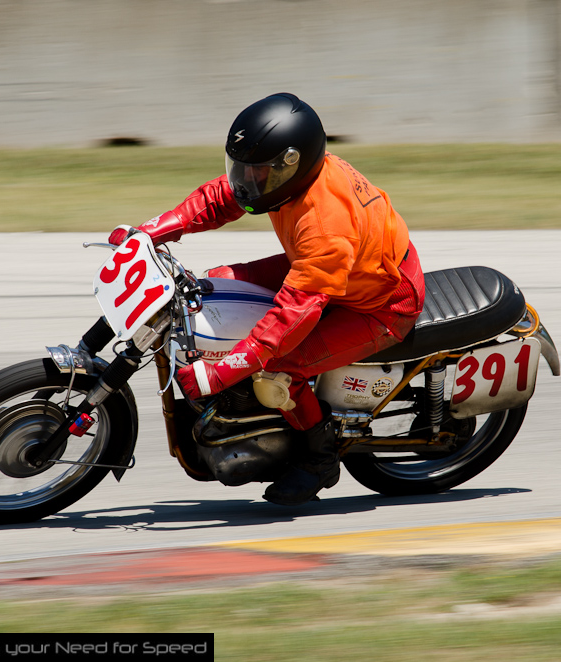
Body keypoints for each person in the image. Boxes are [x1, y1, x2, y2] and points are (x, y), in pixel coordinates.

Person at [108, 93, 425, 506]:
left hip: (379, 303)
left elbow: (294, 314)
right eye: (242, 168)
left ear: (290, 165)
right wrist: (152, 231)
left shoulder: (325, 224)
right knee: (215, 283)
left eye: (256, 173)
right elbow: (221, 198)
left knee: (279, 367)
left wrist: (220, 373)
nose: (245, 180)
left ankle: (319, 458)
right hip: (331, 267)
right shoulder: (289, 181)